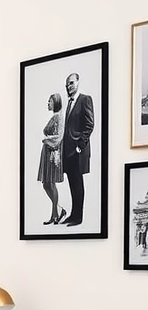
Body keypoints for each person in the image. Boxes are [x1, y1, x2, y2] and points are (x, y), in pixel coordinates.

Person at [60, 72, 94, 227]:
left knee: (78, 183)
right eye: (67, 84)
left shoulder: (85, 99)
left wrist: (80, 145)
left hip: (78, 151)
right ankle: (73, 215)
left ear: (78, 82)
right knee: (72, 183)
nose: (69, 86)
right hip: (68, 151)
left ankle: (78, 217)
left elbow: (89, 124)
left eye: (71, 83)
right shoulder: (69, 103)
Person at [37, 93, 65, 225]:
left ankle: (56, 214)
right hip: (48, 152)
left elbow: (60, 136)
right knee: (46, 184)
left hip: (53, 152)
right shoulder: (55, 116)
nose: (48, 104)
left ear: (56, 102)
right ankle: (58, 211)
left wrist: (47, 139)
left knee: (50, 183)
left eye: (50, 101)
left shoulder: (59, 116)